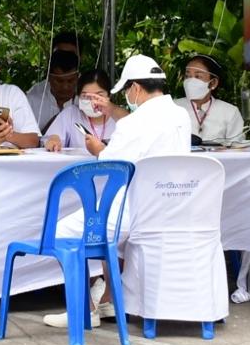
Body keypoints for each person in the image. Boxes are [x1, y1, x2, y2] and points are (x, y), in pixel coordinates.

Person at [42, 54, 190, 329]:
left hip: (134, 209)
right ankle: (109, 299)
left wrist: (98, 149)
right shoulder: (181, 115)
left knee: (61, 232)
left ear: (136, 88)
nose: (128, 98)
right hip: (169, 207)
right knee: (111, 239)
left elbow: (111, 164)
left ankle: (83, 310)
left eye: (128, 91)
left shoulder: (133, 124)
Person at [43, 69, 119, 152]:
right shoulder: (71, 114)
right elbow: (51, 137)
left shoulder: (119, 118)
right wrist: (53, 139)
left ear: (109, 96)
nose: (93, 102)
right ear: (78, 96)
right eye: (86, 96)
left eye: (98, 95)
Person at [178, 53, 246, 142]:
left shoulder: (230, 112)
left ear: (213, 83)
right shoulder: (173, 108)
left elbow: (237, 146)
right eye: (187, 76)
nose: (190, 81)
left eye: (198, 76)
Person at [26, 49, 82, 132]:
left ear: (77, 77)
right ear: (49, 77)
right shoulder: (31, 102)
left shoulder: (85, 104)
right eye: (59, 81)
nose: (65, 87)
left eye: (70, 81)